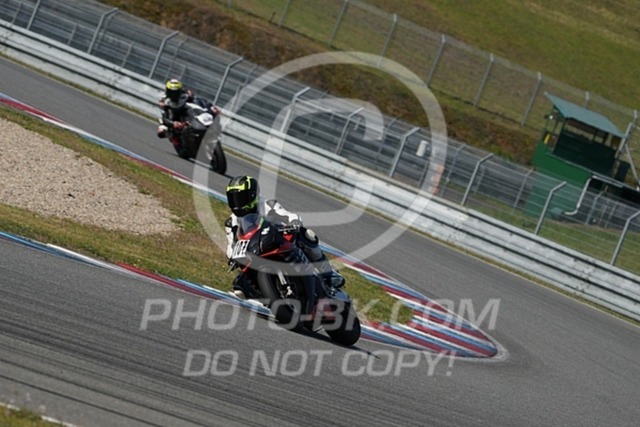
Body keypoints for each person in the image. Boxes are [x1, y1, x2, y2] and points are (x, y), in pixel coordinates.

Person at [224, 175, 345, 299]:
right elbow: (231, 247)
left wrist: (294, 223)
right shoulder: (231, 223)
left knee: (308, 235)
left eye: (240, 198)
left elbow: (288, 216)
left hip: (278, 240)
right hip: (255, 250)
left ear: (252, 195)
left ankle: (328, 273)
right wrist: (232, 257)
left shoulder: (267, 205)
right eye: (233, 199)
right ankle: (262, 296)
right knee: (240, 287)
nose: (236, 203)